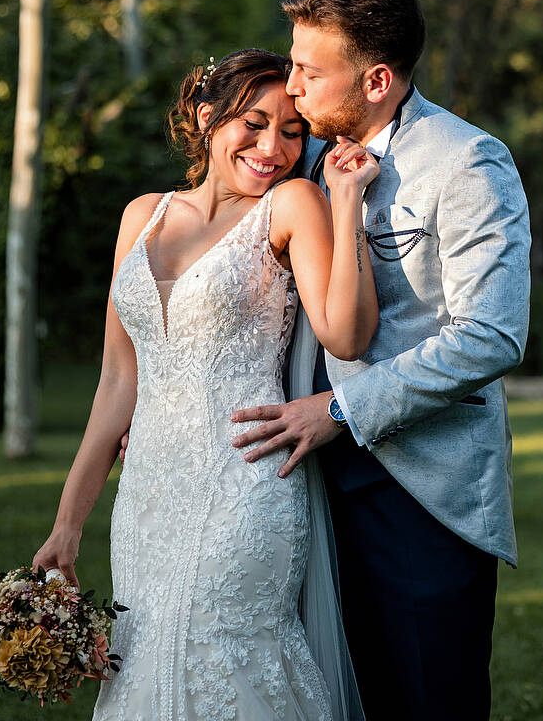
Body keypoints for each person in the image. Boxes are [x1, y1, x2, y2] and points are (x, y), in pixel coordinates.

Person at [31, 48, 375, 721]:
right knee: (144, 658)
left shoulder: (292, 204)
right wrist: (67, 527)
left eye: (291, 130)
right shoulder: (143, 216)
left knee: (219, 656)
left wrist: (350, 204)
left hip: (244, 488)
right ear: (206, 116)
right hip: (147, 499)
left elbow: (346, 335)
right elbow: (116, 380)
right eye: (253, 123)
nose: (272, 147)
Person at [228, 0, 532, 720]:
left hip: (422, 493)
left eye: (308, 71)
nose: (290, 88)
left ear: (376, 80)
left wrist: (340, 409)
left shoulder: (467, 161)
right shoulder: (293, 155)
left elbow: (491, 336)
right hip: (301, 489)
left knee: (426, 701)